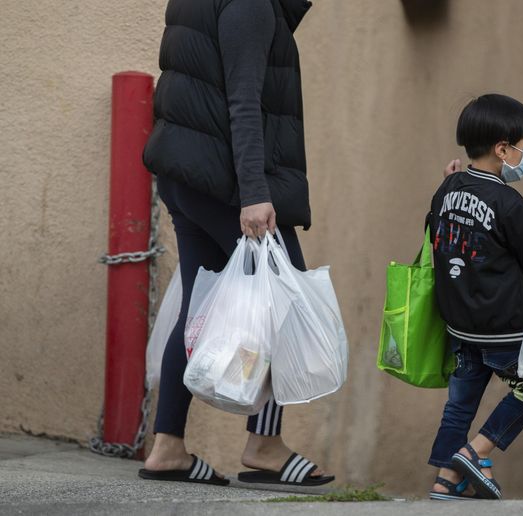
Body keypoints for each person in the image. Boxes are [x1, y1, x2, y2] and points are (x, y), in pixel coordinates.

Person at [138, 0, 333, 486]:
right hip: (228, 184)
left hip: (188, 177)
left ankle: (168, 447)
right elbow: (243, 101)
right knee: (286, 303)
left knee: (196, 306)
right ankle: (264, 445)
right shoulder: (249, 4)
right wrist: (254, 195)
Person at [426, 94, 523, 500]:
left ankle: (446, 481)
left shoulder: (447, 188)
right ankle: (474, 452)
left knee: (460, 403)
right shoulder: (510, 202)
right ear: (503, 149)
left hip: (460, 325)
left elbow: (435, 227)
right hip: (503, 330)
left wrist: (450, 181)